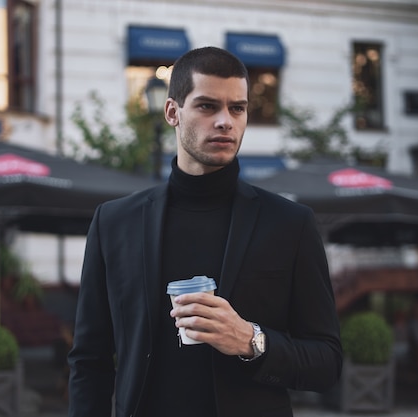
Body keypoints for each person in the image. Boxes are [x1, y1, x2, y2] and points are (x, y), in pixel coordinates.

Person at [67, 46, 342, 417]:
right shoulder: (115, 222)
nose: (226, 121)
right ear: (172, 112)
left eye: (238, 108)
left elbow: (327, 362)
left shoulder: (290, 223)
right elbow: (89, 360)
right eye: (208, 106)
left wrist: (251, 340)